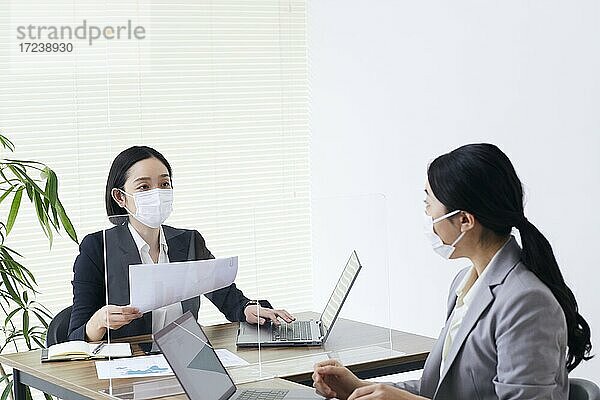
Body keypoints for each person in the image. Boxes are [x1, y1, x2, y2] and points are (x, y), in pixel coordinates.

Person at [312, 144, 592, 400]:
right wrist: (359, 387)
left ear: (465, 220)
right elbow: (441, 389)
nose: (427, 217)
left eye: (428, 205)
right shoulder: (465, 284)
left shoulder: (527, 302)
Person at [68, 146, 294, 342]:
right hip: (128, 366)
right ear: (120, 197)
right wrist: (98, 322)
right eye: (144, 187)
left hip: (185, 357)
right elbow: (75, 335)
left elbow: (225, 294)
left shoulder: (188, 241)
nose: (157, 193)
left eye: (164, 184)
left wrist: (247, 308)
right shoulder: (97, 248)